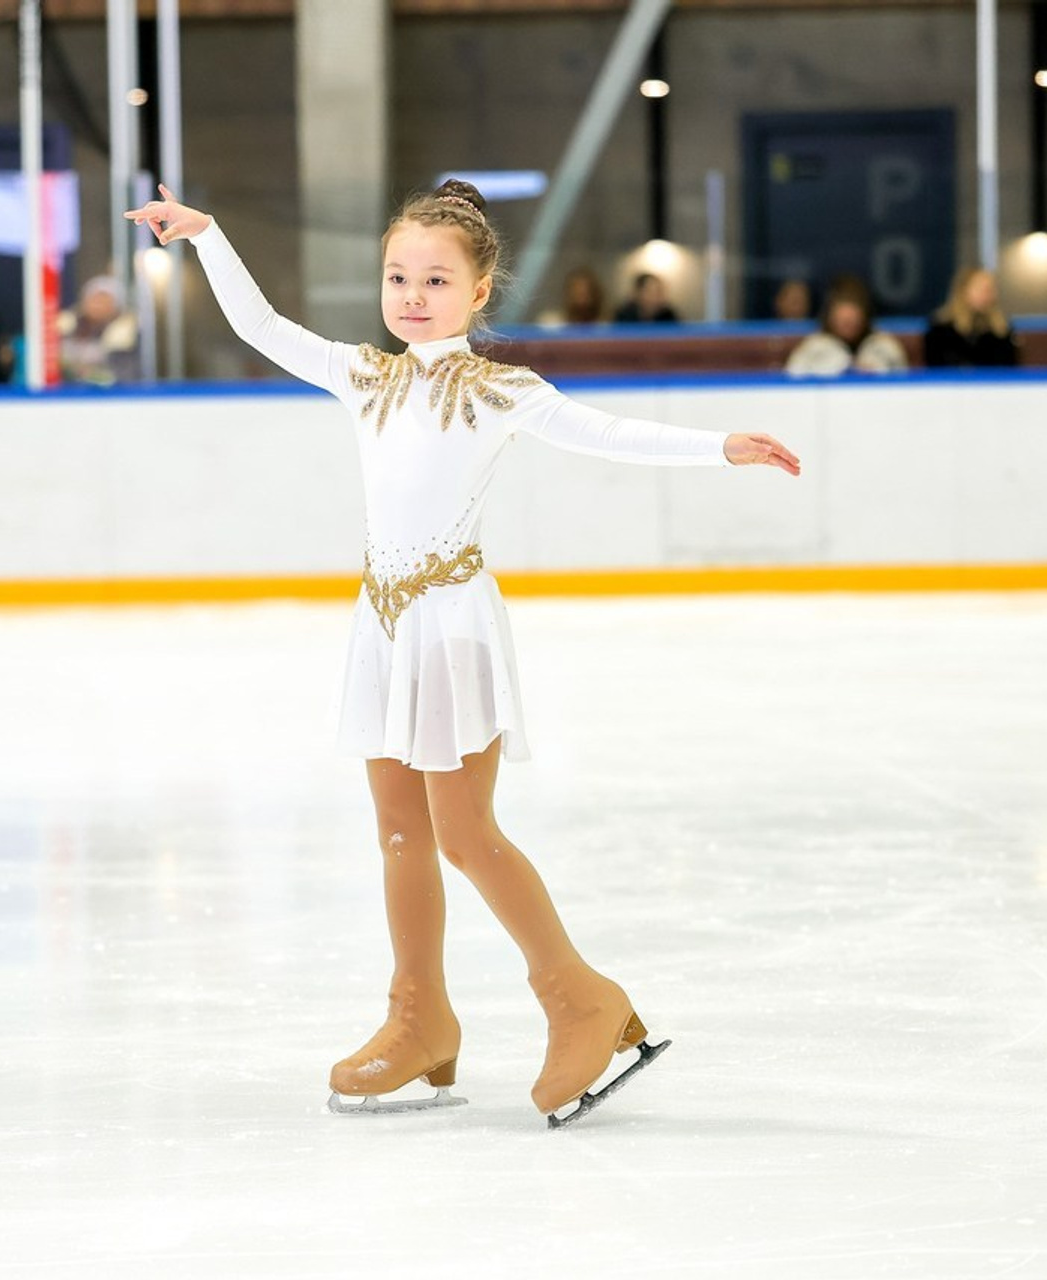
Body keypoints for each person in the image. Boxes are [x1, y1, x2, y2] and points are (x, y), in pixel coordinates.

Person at [127, 179, 800, 1126]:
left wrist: (719, 446)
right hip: (384, 626)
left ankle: (580, 998)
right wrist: (207, 235)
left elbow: (605, 432)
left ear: (479, 291)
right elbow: (263, 326)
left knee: (465, 832)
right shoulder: (365, 377)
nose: (413, 295)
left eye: (436, 280)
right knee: (400, 833)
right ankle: (419, 1020)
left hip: (451, 627)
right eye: (398, 276)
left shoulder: (498, 391)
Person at [785, 276, 907, 376]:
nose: (848, 326)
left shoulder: (885, 346)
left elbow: (904, 383)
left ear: (864, 317)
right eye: (843, 321)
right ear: (830, 318)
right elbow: (791, 382)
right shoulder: (812, 347)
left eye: (853, 321)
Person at [923, 267, 1019, 368]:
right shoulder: (940, 329)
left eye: (990, 290)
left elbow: (1009, 368)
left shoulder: (1002, 331)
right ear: (962, 291)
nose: (987, 294)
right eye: (981, 289)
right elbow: (934, 367)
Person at [58, 274, 140, 385]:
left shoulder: (125, 333)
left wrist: (89, 374)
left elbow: (124, 375)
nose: (97, 305)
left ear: (117, 306)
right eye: (94, 300)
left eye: (104, 301)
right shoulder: (67, 327)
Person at [537, 266, 606, 326]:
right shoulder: (550, 325)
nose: (582, 301)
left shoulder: (603, 329)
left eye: (586, 293)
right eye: (578, 293)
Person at [613, 271, 679, 324]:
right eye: (651, 292)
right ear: (638, 293)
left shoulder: (668, 316)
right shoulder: (624, 316)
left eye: (659, 292)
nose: (657, 298)